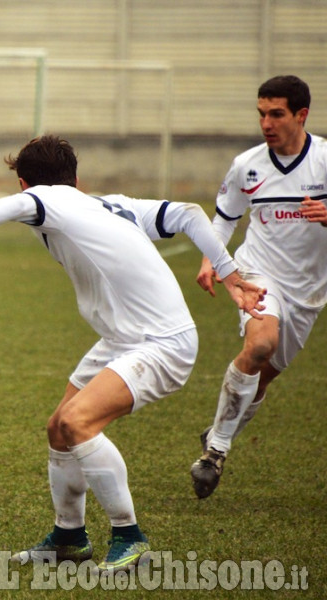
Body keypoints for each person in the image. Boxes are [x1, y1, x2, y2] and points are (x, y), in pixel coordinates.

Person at [0, 135, 265, 570]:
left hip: (161, 342)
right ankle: (68, 539)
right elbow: (191, 214)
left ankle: (129, 536)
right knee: (59, 429)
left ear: (25, 183)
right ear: (77, 177)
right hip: (123, 339)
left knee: (78, 423)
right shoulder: (108, 203)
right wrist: (229, 274)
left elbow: (19, 206)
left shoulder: (46, 199)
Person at [190, 75, 327, 499]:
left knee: (262, 378)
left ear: (301, 115)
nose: (266, 123)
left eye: (276, 114)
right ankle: (215, 453)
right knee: (261, 344)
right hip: (257, 272)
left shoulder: (324, 160)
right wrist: (211, 257)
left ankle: (218, 430)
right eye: (261, 114)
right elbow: (225, 217)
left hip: (308, 288)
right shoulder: (246, 164)